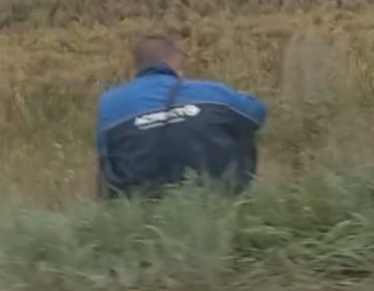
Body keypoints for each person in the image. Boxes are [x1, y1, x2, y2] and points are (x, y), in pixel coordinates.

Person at [96, 34, 267, 199]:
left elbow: (104, 155)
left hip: (140, 203)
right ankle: (236, 198)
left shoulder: (109, 103)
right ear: (175, 61)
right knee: (240, 123)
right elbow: (257, 114)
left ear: (138, 66)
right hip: (211, 201)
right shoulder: (212, 92)